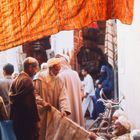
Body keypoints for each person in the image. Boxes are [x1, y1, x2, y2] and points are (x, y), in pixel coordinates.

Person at [33, 57, 71, 140]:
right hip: (41, 112)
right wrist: (43, 103)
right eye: (56, 70)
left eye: (59, 70)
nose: (57, 72)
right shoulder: (39, 78)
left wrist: (64, 109)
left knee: (53, 133)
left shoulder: (59, 79)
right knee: (42, 133)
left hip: (53, 111)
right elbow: (34, 94)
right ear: (50, 68)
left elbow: (63, 96)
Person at [9, 57, 40, 140]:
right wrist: (35, 122)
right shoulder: (27, 80)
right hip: (26, 122)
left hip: (18, 119)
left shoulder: (16, 79)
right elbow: (29, 105)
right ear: (30, 68)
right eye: (36, 68)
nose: (36, 71)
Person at [56, 53, 85, 127]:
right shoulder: (75, 73)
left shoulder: (59, 76)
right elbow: (82, 89)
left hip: (66, 106)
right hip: (76, 103)